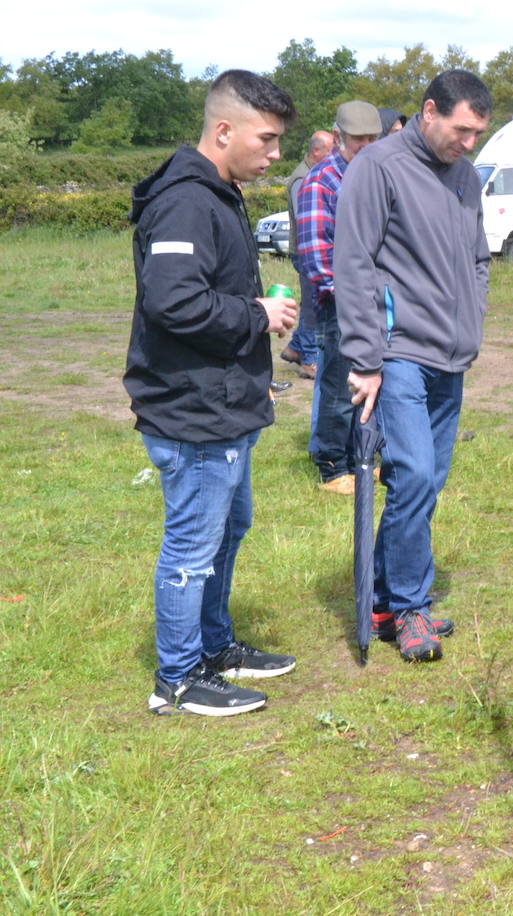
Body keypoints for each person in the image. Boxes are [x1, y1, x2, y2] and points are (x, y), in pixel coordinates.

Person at [125, 69, 299, 716]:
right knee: (192, 548)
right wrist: (257, 315)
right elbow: (173, 300)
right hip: (192, 407)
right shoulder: (186, 200)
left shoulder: (219, 191)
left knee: (228, 529)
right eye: (268, 139)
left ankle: (215, 646)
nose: (275, 154)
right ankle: (175, 680)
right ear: (223, 131)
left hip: (225, 401)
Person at [334, 70, 492, 662]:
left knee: (423, 486)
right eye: (461, 129)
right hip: (397, 356)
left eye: (478, 132)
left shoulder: (467, 176)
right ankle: (410, 610)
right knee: (416, 478)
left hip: (450, 358)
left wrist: (472, 315)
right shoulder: (377, 168)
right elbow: (352, 263)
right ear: (429, 111)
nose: (469, 143)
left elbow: (478, 255)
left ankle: (379, 598)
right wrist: (366, 357)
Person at [296, 101, 383, 495]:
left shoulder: (377, 174)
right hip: (340, 303)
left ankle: (362, 459)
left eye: (371, 138)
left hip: (376, 300)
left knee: (371, 383)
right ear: (339, 136)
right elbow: (316, 256)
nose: (365, 145)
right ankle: (333, 468)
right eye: (358, 139)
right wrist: (350, 298)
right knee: (337, 386)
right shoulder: (321, 182)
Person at [280, 128, 334, 380]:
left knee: (309, 301)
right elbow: (307, 222)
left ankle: (295, 347)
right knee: (314, 304)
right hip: (305, 252)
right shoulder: (303, 179)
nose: (334, 155)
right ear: (316, 151)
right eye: (330, 150)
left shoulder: (312, 175)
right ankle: (309, 361)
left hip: (307, 250)